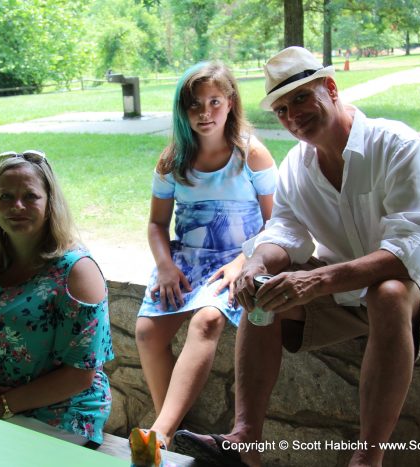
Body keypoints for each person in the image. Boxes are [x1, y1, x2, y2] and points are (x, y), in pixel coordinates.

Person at [173, 47, 420, 467]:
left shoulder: (398, 145)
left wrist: (317, 281)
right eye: (281, 109)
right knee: (263, 291)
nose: (292, 116)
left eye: (301, 99)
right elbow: (284, 233)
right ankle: (246, 440)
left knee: (388, 293)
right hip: (349, 279)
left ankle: (368, 458)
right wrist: (256, 265)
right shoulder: (298, 166)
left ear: (330, 88)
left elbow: (411, 253)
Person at [134, 61, 277, 449]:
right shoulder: (172, 161)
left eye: (214, 101)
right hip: (189, 260)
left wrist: (243, 261)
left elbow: (277, 222)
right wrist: (165, 266)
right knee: (147, 331)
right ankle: (172, 431)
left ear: (230, 102)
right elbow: (156, 224)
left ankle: (160, 433)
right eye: (194, 105)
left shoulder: (252, 155)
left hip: (239, 259)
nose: (204, 113)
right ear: (183, 110)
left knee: (208, 320)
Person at [0, 150, 114, 446]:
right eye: (5, 197)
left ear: (49, 204)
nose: (16, 206)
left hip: (59, 413)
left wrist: (2, 407)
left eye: (30, 196)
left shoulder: (76, 271)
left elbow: (79, 375)